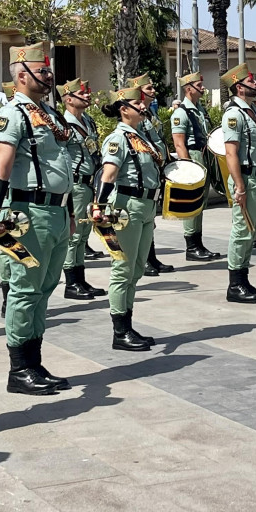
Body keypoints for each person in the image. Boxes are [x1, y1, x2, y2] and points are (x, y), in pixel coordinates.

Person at [0, 44, 73, 397]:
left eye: (49, 70)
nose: (49, 75)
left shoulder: (47, 113)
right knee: (24, 291)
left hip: (55, 211)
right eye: (42, 70)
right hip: (27, 213)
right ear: (22, 76)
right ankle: (19, 368)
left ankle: (34, 362)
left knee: (45, 289)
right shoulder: (13, 114)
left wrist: (67, 211)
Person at [93, 83, 162, 350]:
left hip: (144, 206)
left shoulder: (140, 136)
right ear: (124, 110)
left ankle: (128, 325)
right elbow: (108, 175)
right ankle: (120, 331)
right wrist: (98, 205)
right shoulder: (118, 139)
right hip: (126, 207)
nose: (143, 106)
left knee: (136, 269)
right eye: (138, 104)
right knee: (123, 269)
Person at [220, 63, 256, 303]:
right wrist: (239, 186)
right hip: (247, 179)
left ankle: (244, 279)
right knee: (242, 232)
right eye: (251, 82)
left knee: (252, 232)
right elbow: (231, 153)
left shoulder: (255, 111)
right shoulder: (234, 114)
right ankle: (235, 285)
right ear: (239, 87)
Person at [59, 78, 108, 300]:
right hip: (76, 185)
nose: (88, 95)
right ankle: (71, 283)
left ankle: (80, 279)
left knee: (83, 234)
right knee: (74, 236)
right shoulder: (64, 125)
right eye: (82, 93)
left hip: (89, 184)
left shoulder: (87, 120)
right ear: (69, 99)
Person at [125, 74, 174, 276]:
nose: (153, 91)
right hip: (145, 170)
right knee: (145, 219)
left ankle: (150, 257)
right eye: (149, 89)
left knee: (151, 216)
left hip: (156, 168)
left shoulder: (151, 113)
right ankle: (144, 259)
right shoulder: (138, 118)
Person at [169, 71, 219, 262]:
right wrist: (188, 167)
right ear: (188, 89)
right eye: (199, 85)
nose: (203, 88)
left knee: (201, 202)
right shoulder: (181, 112)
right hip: (193, 155)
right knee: (193, 202)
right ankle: (192, 246)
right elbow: (179, 143)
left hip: (204, 154)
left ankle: (198, 243)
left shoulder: (199, 110)